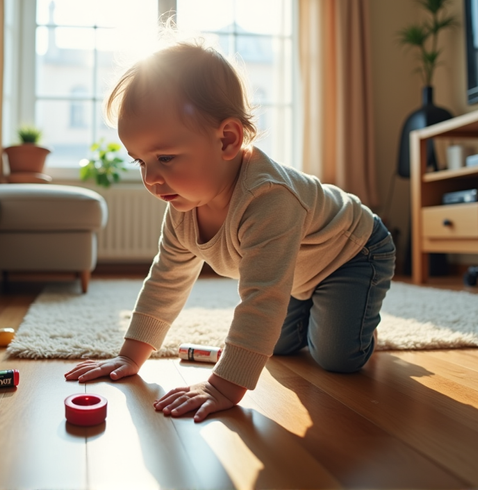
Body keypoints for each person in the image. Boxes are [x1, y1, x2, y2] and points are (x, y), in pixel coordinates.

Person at [64, 40, 395, 422]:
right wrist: (129, 356)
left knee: (336, 357)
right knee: (281, 347)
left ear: (227, 140)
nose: (151, 178)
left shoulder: (267, 198)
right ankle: (317, 308)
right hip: (295, 274)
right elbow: (166, 280)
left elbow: (262, 299)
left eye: (165, 158)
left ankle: (359, 325)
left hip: (352, 253)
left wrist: (222, 386)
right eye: (141, 161)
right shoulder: (182, 206)